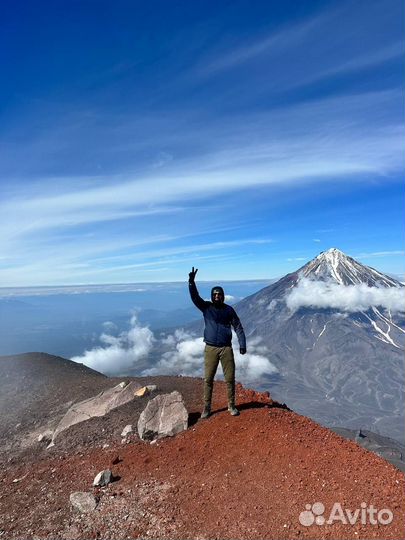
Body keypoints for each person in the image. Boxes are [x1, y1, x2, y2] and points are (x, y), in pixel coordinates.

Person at [188, 266, 247, 418]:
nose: (217, 297)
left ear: (223, 296)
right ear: (212, 296)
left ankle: (231, 406)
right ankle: (206, 408)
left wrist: (242, 344)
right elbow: (195, 298)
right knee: (208, 379)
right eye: (214, 295)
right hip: (211, 348)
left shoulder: (229, 310)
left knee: (230, 379)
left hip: (226, 348)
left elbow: (238, 326)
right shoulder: (206, 308)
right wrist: (191, 283)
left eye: (219, 295)